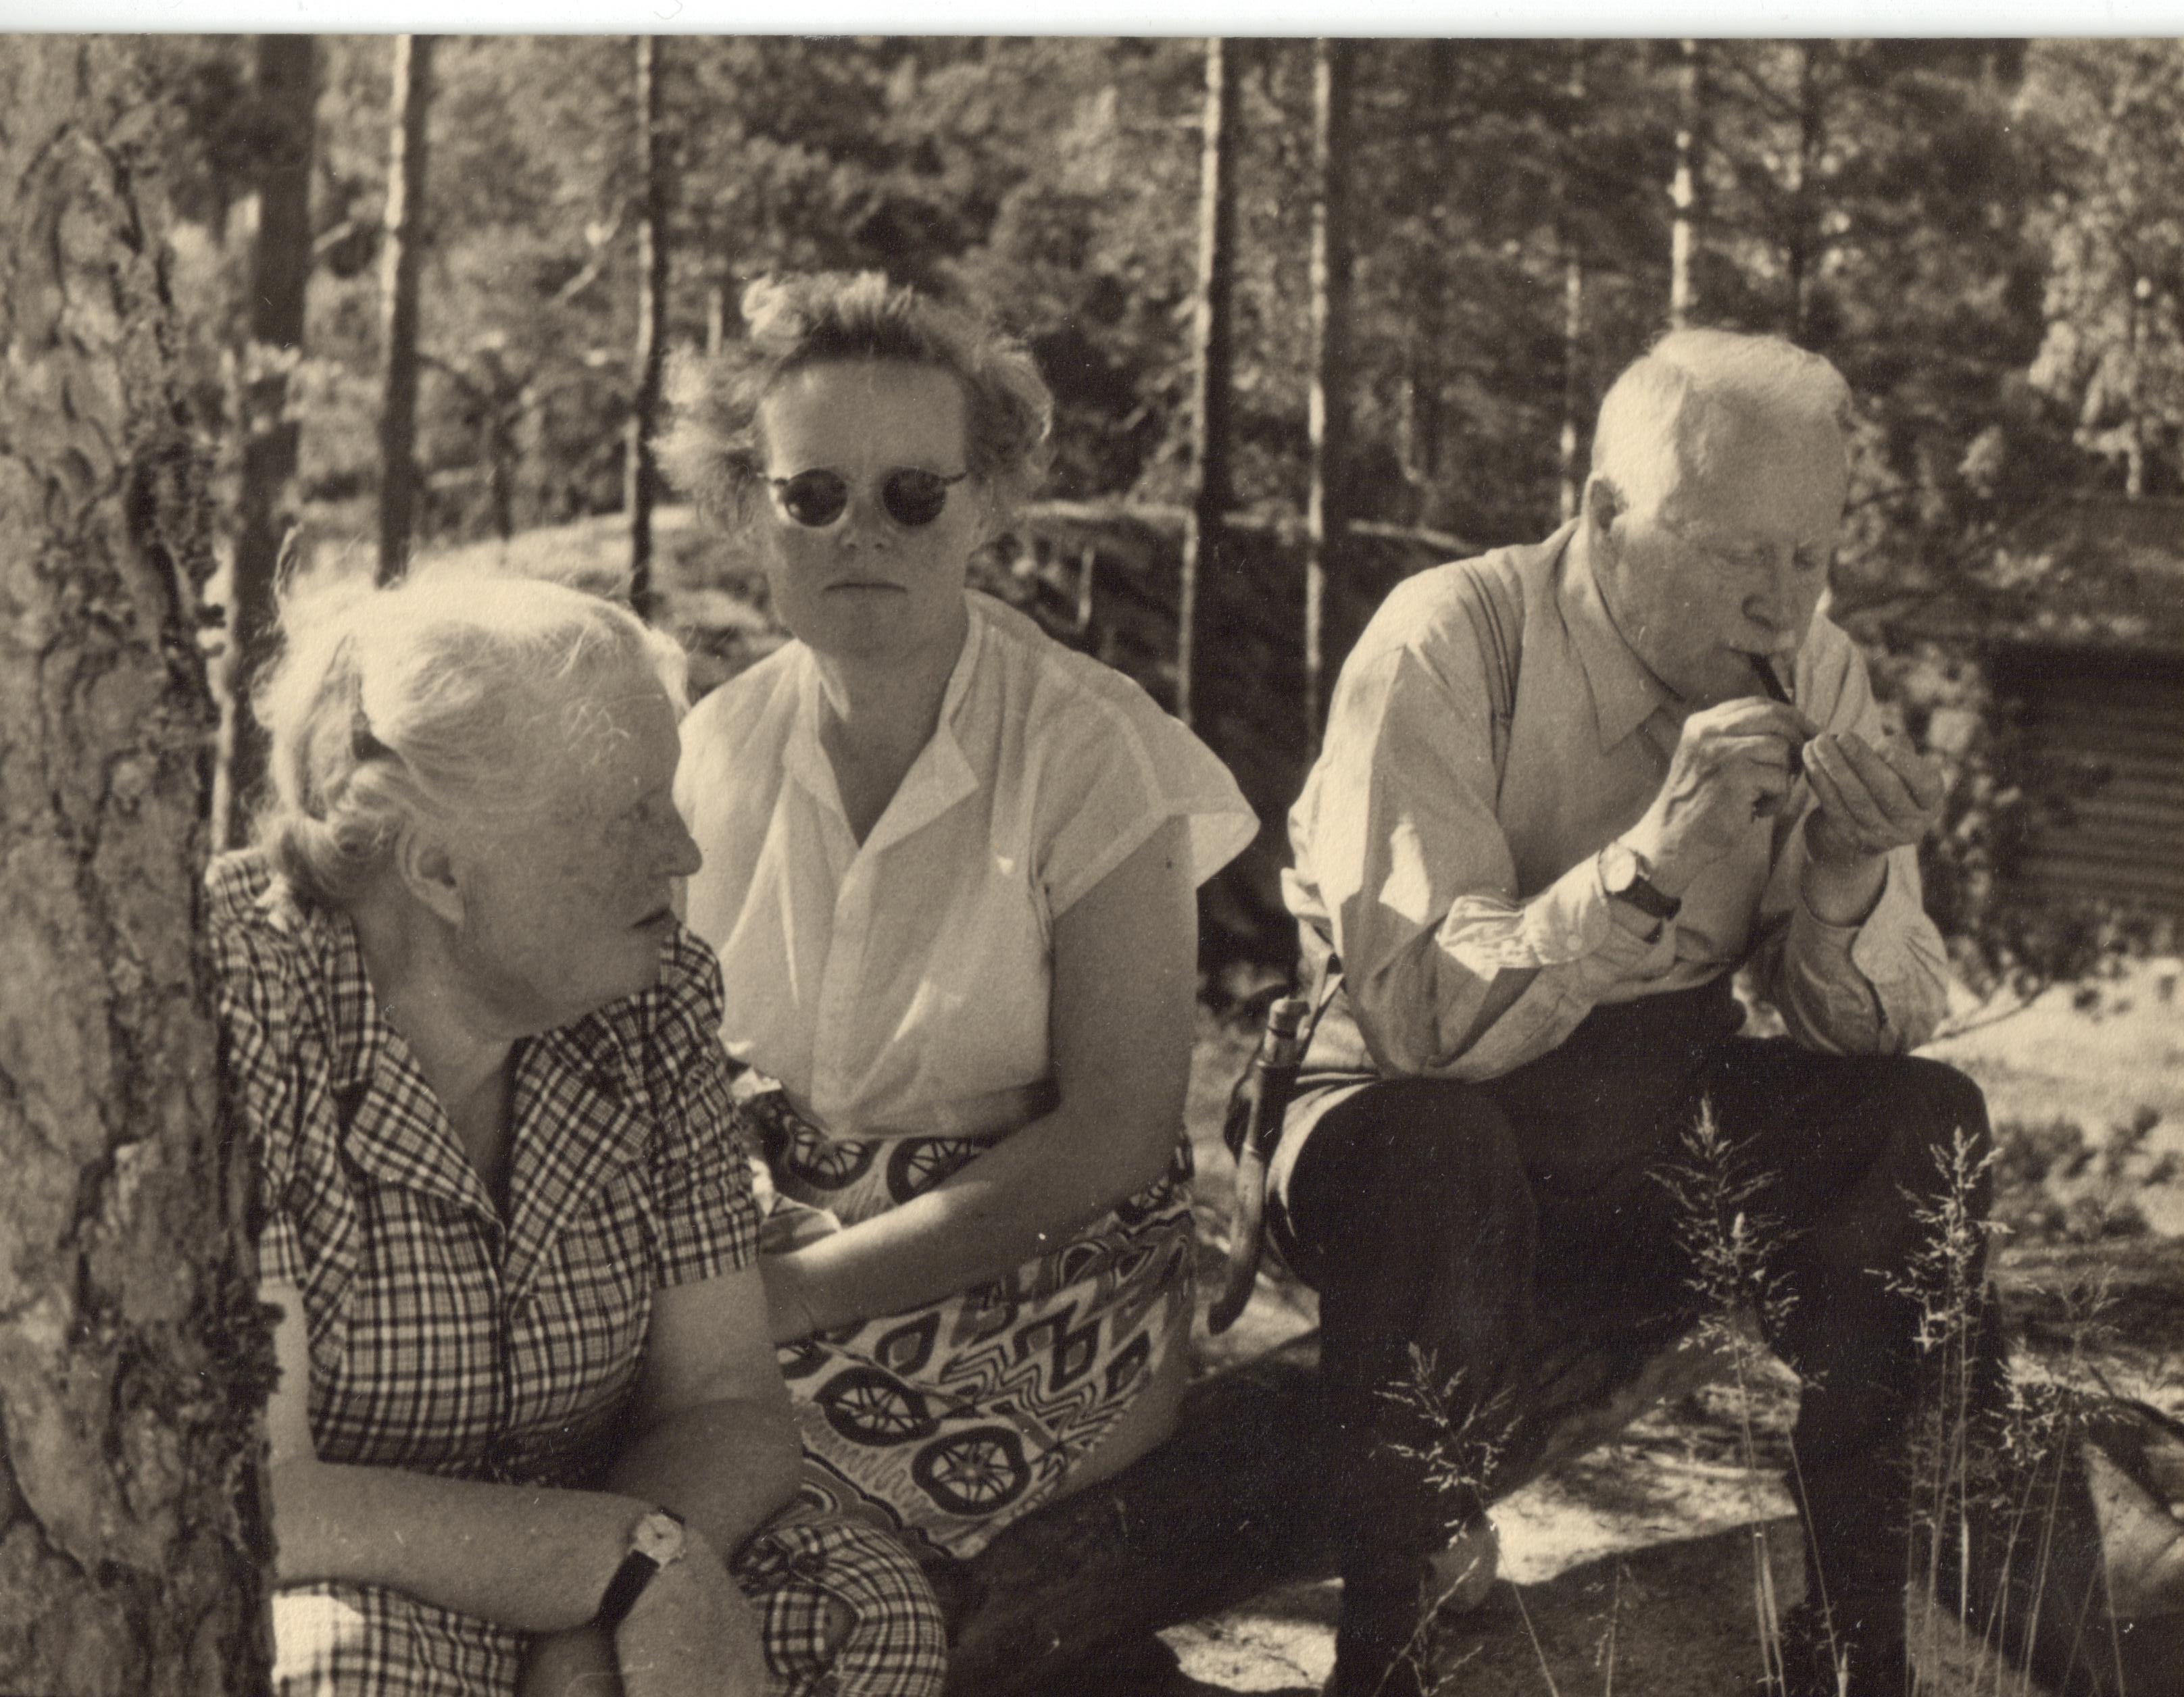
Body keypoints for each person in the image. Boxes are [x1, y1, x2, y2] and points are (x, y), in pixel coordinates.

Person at [1271, 329, 2001, 1697]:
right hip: (1402, 1115)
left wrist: (1844, 879)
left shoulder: (1814, 665)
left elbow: (1874, 1026)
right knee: (1431, 1145)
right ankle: (1387, 1650)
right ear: (1606, 515)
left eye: (1810, 555)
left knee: (1922, 1118)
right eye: (1737, 554)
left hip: (1650, 1124)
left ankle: (1857, 1636)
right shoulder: (1448, 637)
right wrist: (1649, 860)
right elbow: (1419, 1020)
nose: (1780, 603)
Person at [214, 568, 947, 1697]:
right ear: (440, 869)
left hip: (599, 1568)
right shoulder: (237, 1000)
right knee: (346, 1675)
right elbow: (262, 1492)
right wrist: (606, 1566)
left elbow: (726, 1403)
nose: (684, 854)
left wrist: (612, 1606)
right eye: (629, 816)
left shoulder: (650, 993)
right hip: (345, 1582)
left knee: (868, 1614)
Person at [660, 272, 1258, 1565]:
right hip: (768, 1269)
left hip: (1035, 1294)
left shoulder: (1093, 749)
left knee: (720, 1525)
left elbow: (1116, 1134)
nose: (862, 533)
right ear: (745, 509)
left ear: (984, 504)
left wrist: (772, 1303)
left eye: (913, 495)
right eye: (813, 496)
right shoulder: (709, 750)